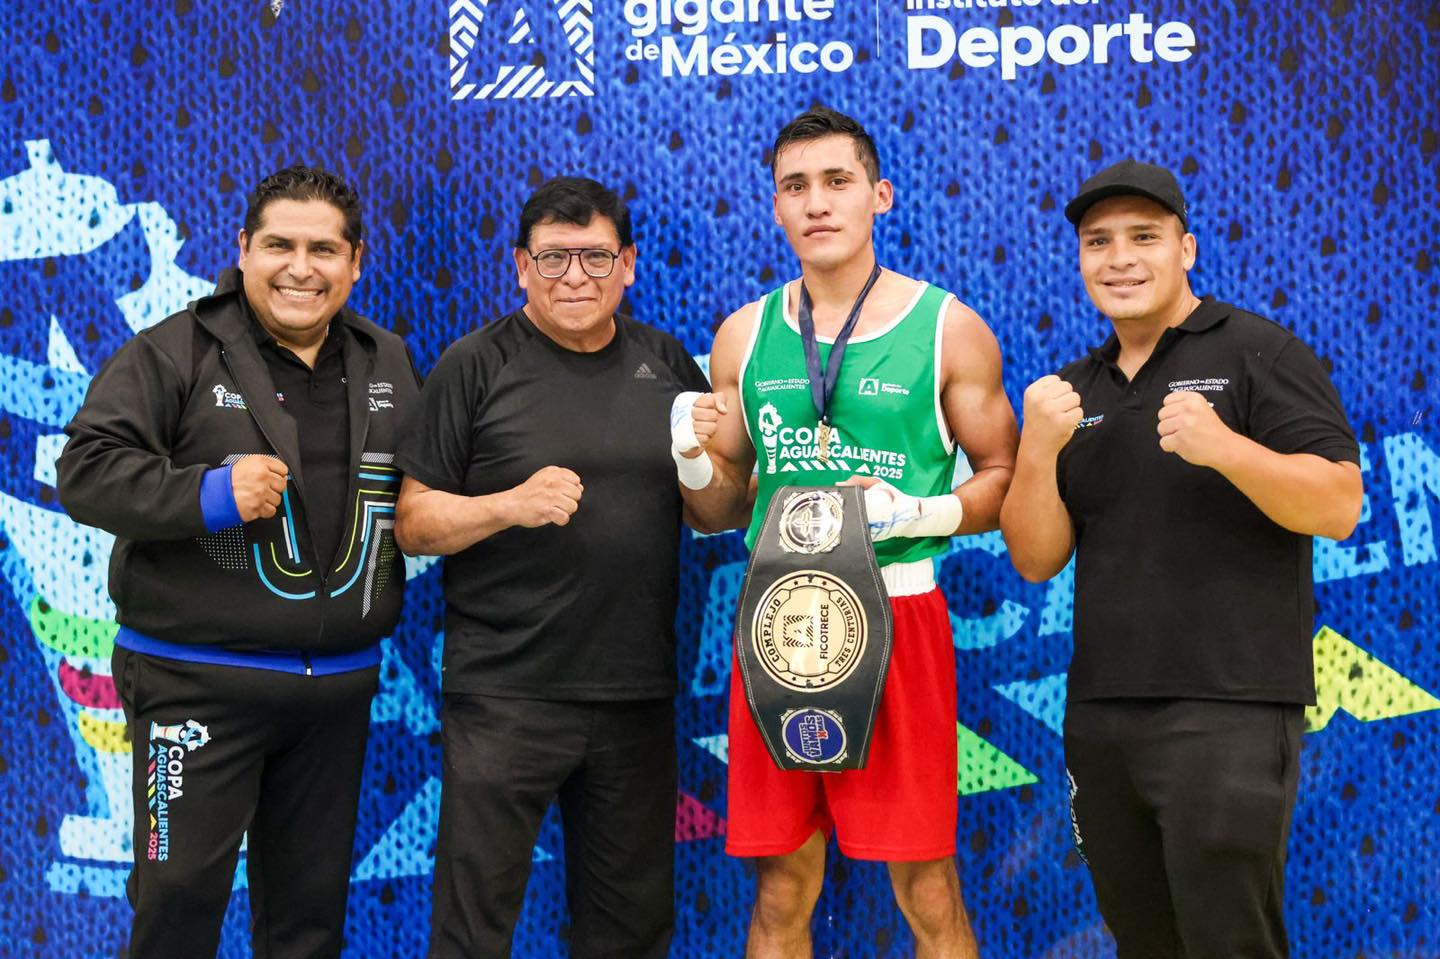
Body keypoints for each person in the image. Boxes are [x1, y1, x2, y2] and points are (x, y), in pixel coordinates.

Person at [674, 107, 1018, 959]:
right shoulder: (745, 334)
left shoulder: (948, 327)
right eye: (796, 186)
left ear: (880, 195)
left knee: (927, 884)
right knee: (782, 883)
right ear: (776, 205)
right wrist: (686, 457)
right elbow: (718, 511)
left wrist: (918, 512)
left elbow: (1004, 479)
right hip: (778, 621)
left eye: (837, 181)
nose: (817, 202)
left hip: (899, 616)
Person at [999, 159, 1364, 958]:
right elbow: (1034, 558)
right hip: (1100, 718)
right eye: (1099, 242)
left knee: (1229, 941)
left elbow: (1340, 504)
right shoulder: (1075, 388)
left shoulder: (1257, 351)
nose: (1120, 258)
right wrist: (1037, 451)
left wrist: (1226, 447)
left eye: (1144, 237)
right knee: (1144, 943)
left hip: (1227, 710)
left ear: (1186, 248)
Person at [56, 165, 420, 958]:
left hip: (334, 695)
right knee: (177, 908)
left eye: (323, 249)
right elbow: (84, 471)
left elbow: (423, 492)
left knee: (308, 923)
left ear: (356, 261)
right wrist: (211, 492)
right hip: (195, 689)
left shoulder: (387, 359)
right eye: (280, 245)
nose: (301, 268)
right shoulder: (174, 350)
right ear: (243, 249)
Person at [394, 176, 711, 959]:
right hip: (506, 695)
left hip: (636, 694)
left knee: (631, 933)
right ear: (520, 266)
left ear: (628, 264)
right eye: (554, 257)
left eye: (596, 257)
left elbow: (714, 510)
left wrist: (710, 460)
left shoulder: (667, 363)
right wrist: (507, 505)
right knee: (472, 931)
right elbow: (412, 523)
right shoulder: (475, 365)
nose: (575, 276)